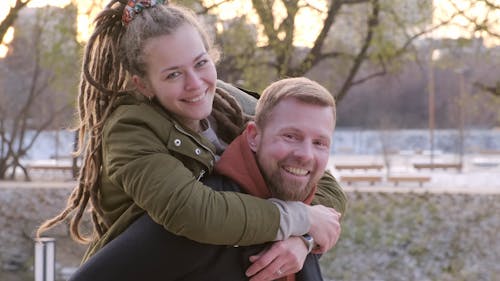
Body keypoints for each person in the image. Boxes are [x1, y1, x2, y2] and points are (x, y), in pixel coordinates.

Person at [36, 0, 346, 278]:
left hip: (217, 263)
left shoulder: (227, 101)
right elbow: (194, 213)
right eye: (173, 74)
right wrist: (300, 217)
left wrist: (302, 240)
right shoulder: (129, 129)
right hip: (153, 269)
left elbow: (318, 179)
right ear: (143, 85)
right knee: (221, 189)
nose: (195, 84)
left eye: (201, 63)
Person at [68, 77, 339, 281]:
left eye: (319, 143)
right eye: (290, 136)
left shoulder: (304, 213)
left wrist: (305, 237)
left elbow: (330, 193)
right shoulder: (198, 225)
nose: (305, 155)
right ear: (254, 136)